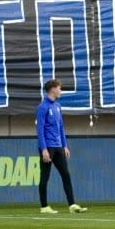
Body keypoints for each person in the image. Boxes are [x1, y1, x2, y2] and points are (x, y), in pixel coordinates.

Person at [36, 79, 86, 213]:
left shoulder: (57, 106)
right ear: (53, 89)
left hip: (59, 147)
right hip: (48, 147)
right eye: (59, 88)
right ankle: (44, 206)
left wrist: (65, 145)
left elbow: (61, 127)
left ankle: (72, 205)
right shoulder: (42, 107)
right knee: (45, 177)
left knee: (66, 175)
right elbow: (40, 130)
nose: (61, 91)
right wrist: (44, 149)